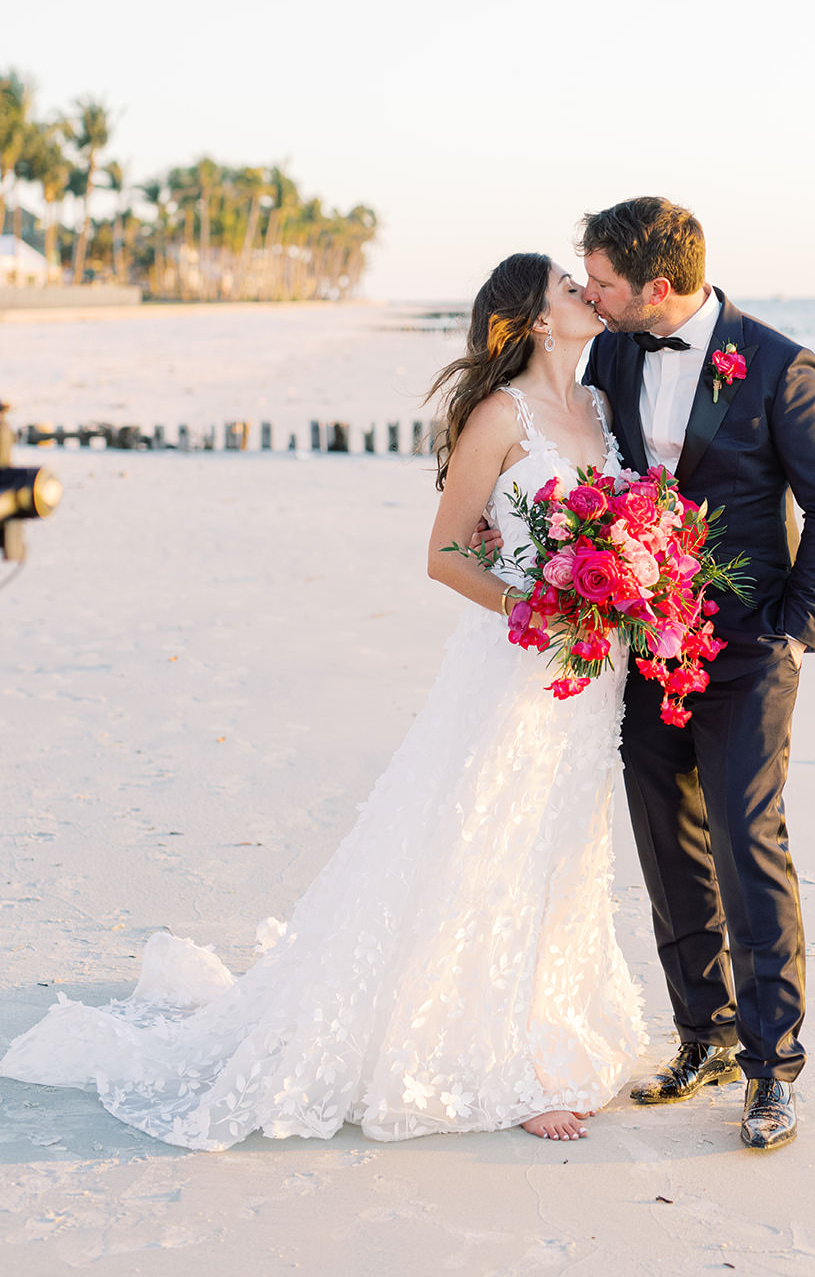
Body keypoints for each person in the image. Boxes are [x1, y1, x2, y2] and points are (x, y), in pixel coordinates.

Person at [0, 253, 644, 1149]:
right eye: (569, 289)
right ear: (535, 320)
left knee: (564, 843)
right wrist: (535, 607)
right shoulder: (502, 417)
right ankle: (501, 1059)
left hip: (594, 673)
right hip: (523, 662)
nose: (587, 294)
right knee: (490, 842)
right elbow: (445, 552)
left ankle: (551, 1024)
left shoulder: (604, 407)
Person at [580, 197, 815, 1151]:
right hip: (644, 642)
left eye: (605, 282)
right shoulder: (614, 352)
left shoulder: (782, 367)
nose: (592, 294)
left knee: (748, 839)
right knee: (665, 838)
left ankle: (772, 1068)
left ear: (658, 287)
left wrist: (795, 629)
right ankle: (699, 1033)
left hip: (748, 648)